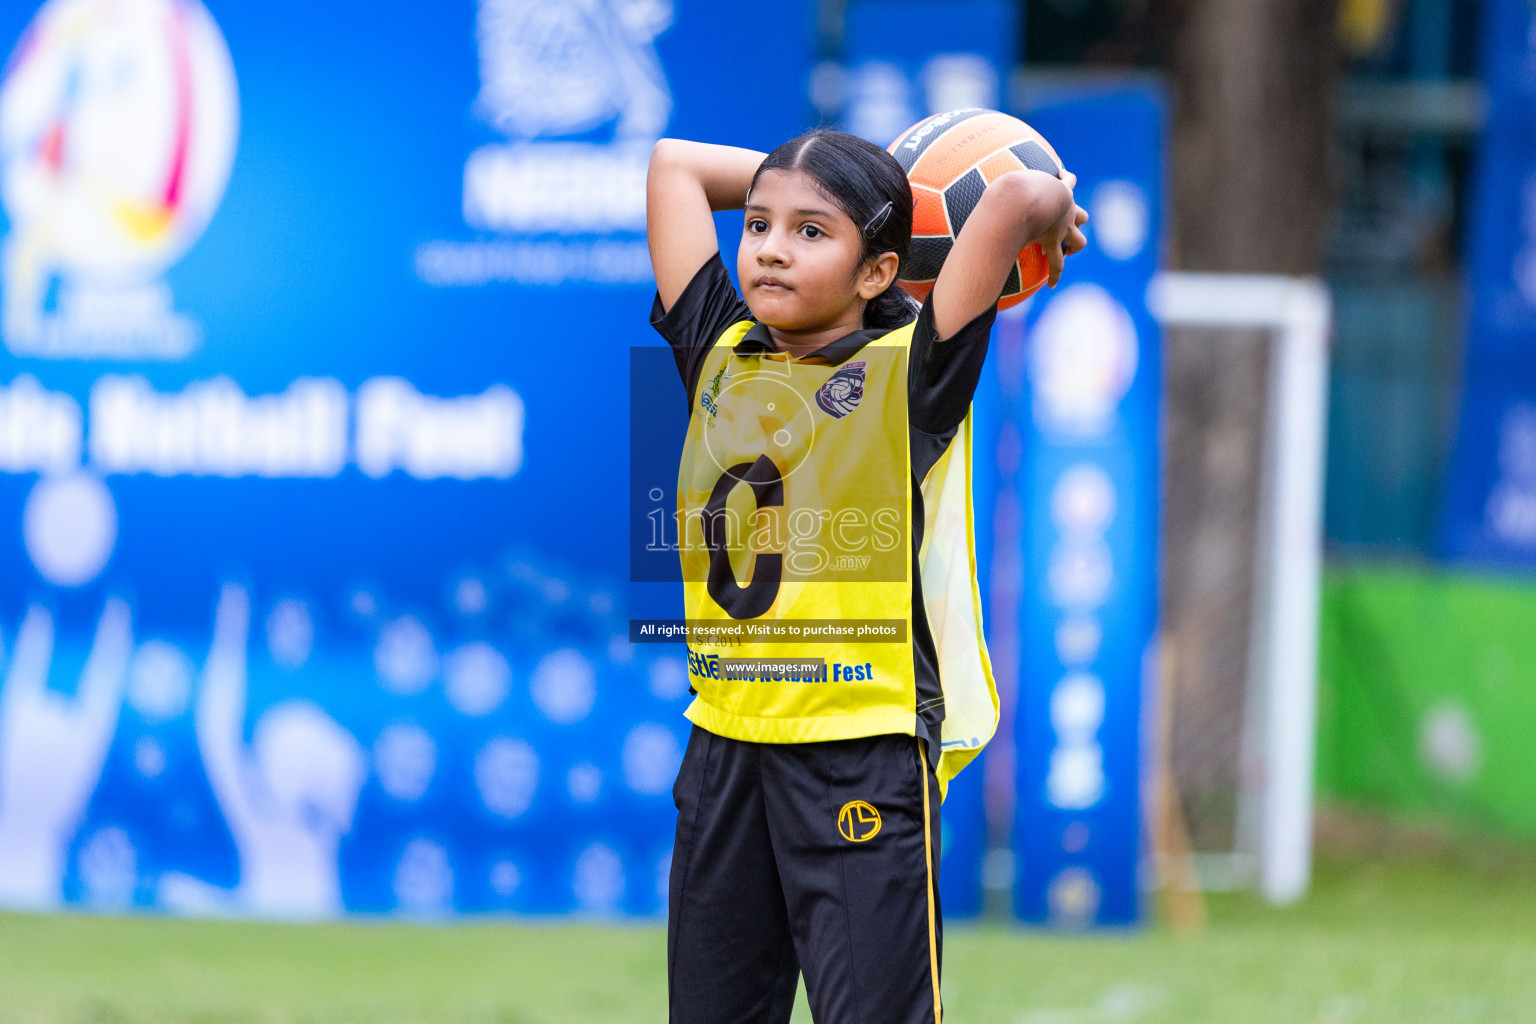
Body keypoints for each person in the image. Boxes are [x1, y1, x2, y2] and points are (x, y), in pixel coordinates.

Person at [647, 128, 1087, 1024]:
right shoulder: (717, 351)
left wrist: (1049, 205)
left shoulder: (914, 374)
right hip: (725, 748)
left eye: (813, 233)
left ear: (880, 273)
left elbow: (1005, 204)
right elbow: (671, 165)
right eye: (760, 223)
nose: (770, 245)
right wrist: (823, 185)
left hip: (859, 753)